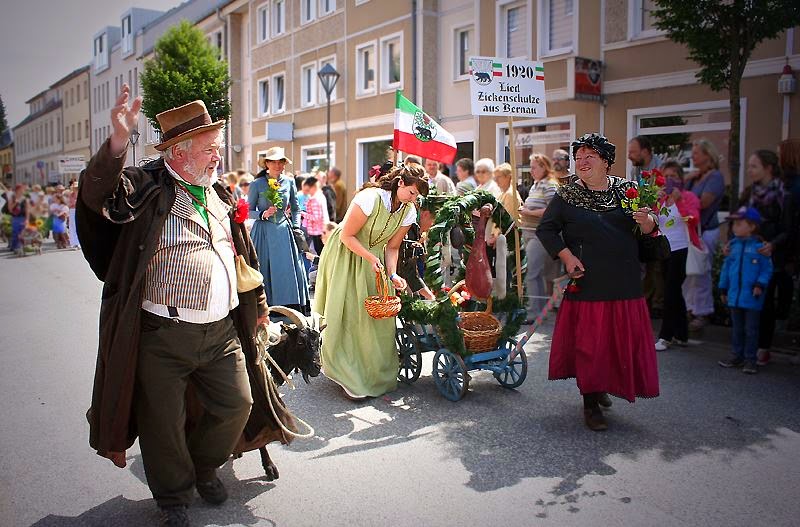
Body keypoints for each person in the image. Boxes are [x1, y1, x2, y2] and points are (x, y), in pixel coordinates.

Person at [76, 86, 296, 526]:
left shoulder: (218, 193)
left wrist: (261, 305)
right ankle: (173, 497)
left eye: (217, 148)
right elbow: (97, 194)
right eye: (210, 149)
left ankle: (203, 466)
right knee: (162, 421)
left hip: (221, 331)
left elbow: (242, 256)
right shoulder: (146, 188)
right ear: (177, 152)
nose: (218, 157)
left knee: (238, 402)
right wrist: (118, 142)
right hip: (163, 333)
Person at [537, 133, 660, 431]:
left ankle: (601, 386)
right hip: (589, 283)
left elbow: (650, 230)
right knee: (591, 346)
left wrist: (648, 223)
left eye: (589, 156)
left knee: (616, 344)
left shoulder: (629, 190)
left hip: (625, 282)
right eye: (578, 158)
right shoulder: (567, 195)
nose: (581, 162)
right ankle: (590, 404)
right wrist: (566, 257)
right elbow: (547, 229)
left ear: (606, 161)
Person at [313, 164, 429, 400]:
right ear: (400, 184)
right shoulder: (369, 198)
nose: (413, 199)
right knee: (351, 312)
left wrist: (394, 274)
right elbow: (346, 235)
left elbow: (393, 246)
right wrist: (369, 257)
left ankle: (372, 373)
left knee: (377, 318)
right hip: (347, 251)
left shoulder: (408, 211)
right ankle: (346, 374)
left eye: (417, 196)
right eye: (412, 192)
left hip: (374, 257)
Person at [739, 150, 794, 365]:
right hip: (746, 252)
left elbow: (788, 229)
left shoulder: (783, 195)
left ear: (768, 168)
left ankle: (763, 347)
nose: (750, 170)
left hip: (769, 254)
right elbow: (738, 218)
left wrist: (773, 244)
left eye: (754, 166)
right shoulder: (748, 193)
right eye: (749, 166)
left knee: (766, 301)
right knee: (745, 298)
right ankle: (744, 346)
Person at [250, 147, 310, 313]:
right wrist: (262, 213)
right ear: (266, 164)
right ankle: (264, 308)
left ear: (284, 164)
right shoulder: (257, 184)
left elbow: (297, 209)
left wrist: (296, 227)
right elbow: (247, 211)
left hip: (285, 231)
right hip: (263, 233)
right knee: (264, 269)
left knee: (287, 271)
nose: (277, 165)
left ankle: (289, 307)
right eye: (273, 162)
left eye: (280, 162)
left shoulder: (289, 182)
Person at [718, 207, 773, 374]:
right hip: (734, 295)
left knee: (751, 329)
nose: (735, 227)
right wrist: (723, 289)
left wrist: (760, 284)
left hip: (752, 297)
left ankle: (750, 359)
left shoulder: (759, 247)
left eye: (739, 224)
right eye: (734, 224)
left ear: (752, 226)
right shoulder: (732, 246)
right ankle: (736, 355)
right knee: (737, 328)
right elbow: (726, 268)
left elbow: (766, 269)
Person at [653, 160, 701, 351]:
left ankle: (666, 336)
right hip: (664, 249)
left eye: (674, 176)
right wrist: (655, 201)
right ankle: (682, 333)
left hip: (681, 249)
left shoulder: (688, 196)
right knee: (673, 291)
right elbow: (654, 221)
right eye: (667, 176)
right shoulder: (662, 198)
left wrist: (680, 200)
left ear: (681, 178)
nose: (670, 180)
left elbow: (694, 219)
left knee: (670, 292)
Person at [683, 138, 725, 330]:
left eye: (697, 152)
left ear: (708, 155)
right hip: (693, 230)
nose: (693, 156)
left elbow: (704, 203)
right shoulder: (695, 177)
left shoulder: (715, 177)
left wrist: (686, 199)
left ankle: (703, 312)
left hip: (706, 230)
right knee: (690, 272)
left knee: (701, 272)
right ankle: (691, 308)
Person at [519, 153, 559, 320]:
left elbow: (552, 211)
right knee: (536, 274)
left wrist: (527, 211)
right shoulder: (536, 185)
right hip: (529, 232)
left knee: (532, 273)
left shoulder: (550, 185)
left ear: (544, 167)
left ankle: (535, 312)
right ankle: (540, 310)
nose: (532, 170)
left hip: (540, 235)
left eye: (534, 167)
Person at [301, 176, 326, 255]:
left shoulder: (315, 199)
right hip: (319, 229)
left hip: (317, 230)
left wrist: (303, 214)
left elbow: (316, 217)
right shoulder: (318, 197)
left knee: (320, 251)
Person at [8, 184, 29, 254]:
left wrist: (27, 219)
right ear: (17, 190)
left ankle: (19, 247)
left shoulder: (25, 199)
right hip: (15, 218)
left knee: (22, 233)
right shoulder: (12, 198)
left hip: (23, 217)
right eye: (21, 189)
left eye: (23, 189)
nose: (22, 191)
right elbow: (10, 209)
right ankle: (14, 246)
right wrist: (16, 202)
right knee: (15, 233)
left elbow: (27, 210)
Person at [67, 182, 80, 249]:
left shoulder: (81, 194)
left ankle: (79, 243)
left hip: (79, 210)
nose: (76, 189)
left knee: (79, 226)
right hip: (72, 211)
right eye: (75, 188)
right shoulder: (71, 195)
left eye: (77, 188)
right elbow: (69, 204)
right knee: (72, 227)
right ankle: (74, 243)